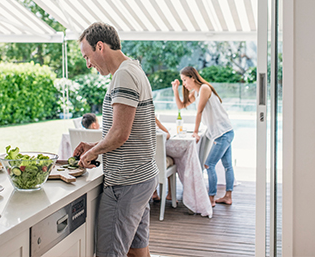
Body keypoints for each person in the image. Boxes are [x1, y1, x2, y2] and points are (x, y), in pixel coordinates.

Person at [74, 22, 159, 257]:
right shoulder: (133, 69)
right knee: (136, 252)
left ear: (100, 46)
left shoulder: (123, 74)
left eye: (87, 56)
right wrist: (94, 146)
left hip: (126, 182)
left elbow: (121, 134)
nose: (88, 63)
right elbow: (124, 131)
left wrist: (92, 153)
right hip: (141, 177)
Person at [171, 66, 234, 207]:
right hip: (225, 132)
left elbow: (199, 112)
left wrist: (195, 132)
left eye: (185, 80)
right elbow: (181, 106)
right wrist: (175, 90)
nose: (185, 84)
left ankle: (211, 198)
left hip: (223, 133)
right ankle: (227, 197)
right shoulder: (196, 93)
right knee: (227, 166)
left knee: (208, 164)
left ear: (193, 78)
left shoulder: (205, 88)